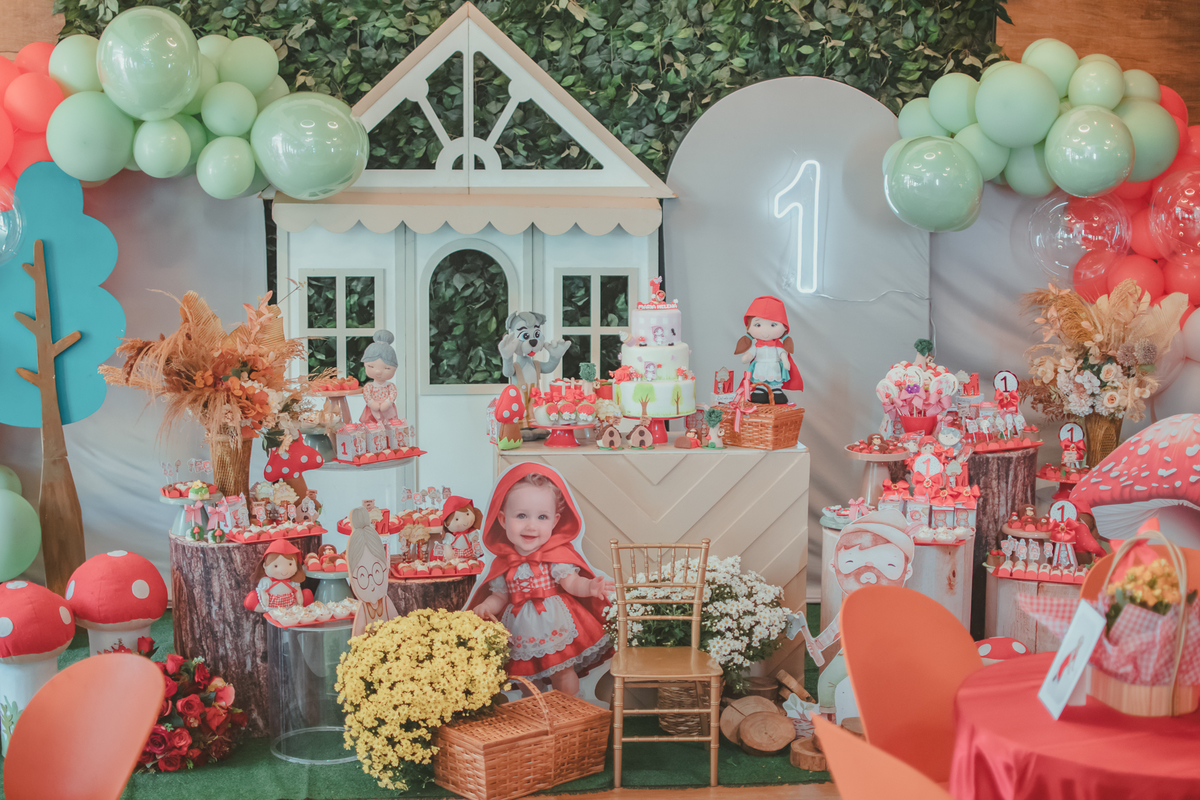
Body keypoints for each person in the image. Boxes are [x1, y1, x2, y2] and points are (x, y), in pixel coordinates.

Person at [469, 463, 613, 696]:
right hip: (519, 628)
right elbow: (499, 596)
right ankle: (535, 717)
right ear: (503, 520)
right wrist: (486, 607)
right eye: (522, 515)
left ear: (555, 521)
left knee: (563, 672)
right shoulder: (504, 564)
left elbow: (572, 583)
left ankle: (569, 710)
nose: (531, 525)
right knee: (528, 679)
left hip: (553, 621)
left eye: (542, 517)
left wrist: (590, 586)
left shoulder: (555, 558)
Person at [785, 509, 914, 718]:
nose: (870, 573)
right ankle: (830, 724)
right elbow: (837, 628)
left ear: (906, 571)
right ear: (834, 566)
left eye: (889, 565)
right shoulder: (851, 604)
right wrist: (816, 643)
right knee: (827, 682)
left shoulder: (894, 605)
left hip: (883, 656)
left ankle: (881, 723)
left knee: (881, 688)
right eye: (852, 562)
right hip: (852, 652)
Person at [734, 295, 803, 404]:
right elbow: (750, 354)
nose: (765, 330)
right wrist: (747, 357)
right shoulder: (756, 346)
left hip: (774, 368)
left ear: (784, 327)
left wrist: (785, 361)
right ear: (749, 327)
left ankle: (776, 390)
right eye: (758, 324)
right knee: (759, 389)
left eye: (773, 324)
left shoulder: (778, 346)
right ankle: (760, 390)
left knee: (776, 388)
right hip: (760, 368)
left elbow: (783, 355)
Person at [347, 504, 398, 636]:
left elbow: (398, 625)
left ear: (384, 569)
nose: (371, 582)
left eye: (377, 572)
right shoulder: (363, 609)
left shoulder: (386, 602)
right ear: (354, 577)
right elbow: (357, 639)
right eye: (363, 576)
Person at [359, 330, 401, 425]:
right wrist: (371, 403)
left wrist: (387, 402)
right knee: (372, 428)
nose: (378, 371)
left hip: (388, 411)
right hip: (372, 412)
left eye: (387, 368)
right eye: (371, 367)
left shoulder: (390, 386)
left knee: (389, 429)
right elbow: (367, 395)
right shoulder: (369, 386)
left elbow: (392, 394)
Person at [252, 540, 306, 612]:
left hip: (290, 607)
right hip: (273, 609)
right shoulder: (267, 581)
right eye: (276, 566)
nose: (283, 571)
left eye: (290, 564)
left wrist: (300, 602)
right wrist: (265, 602)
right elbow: (264, 593)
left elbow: (298, 592)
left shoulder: (293, 581)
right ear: (264, 566)